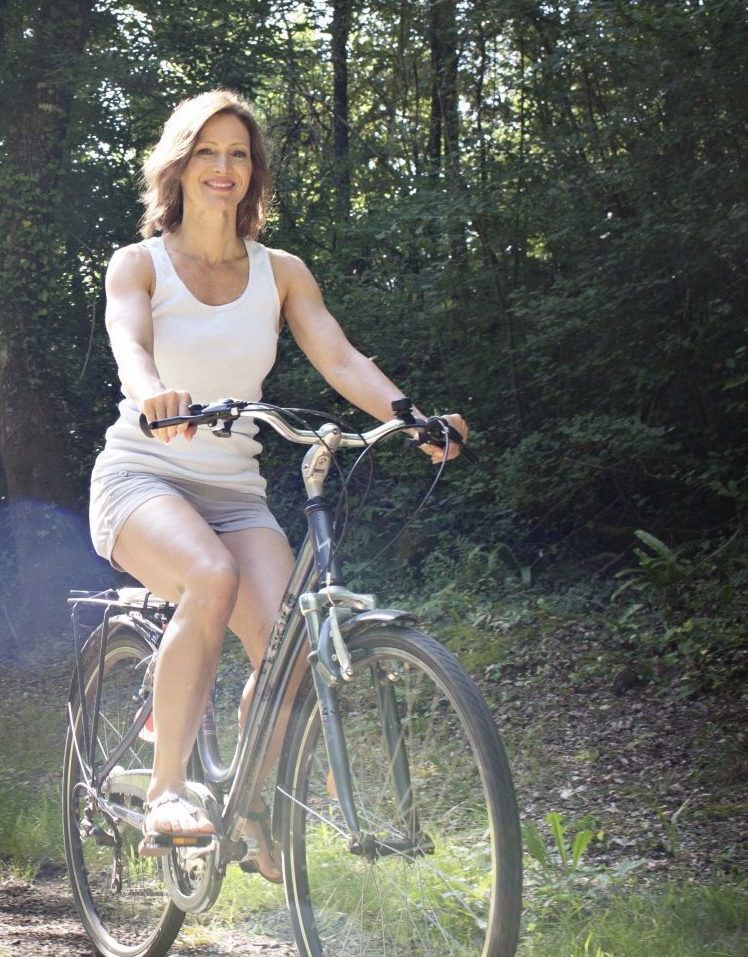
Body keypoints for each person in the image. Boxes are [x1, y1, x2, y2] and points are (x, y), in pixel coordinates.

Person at [87, 91, 465, 874]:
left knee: (286, 647)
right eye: (207, 152)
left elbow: (339, 357)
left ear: (252, 171)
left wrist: (412, 416)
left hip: (234, 491)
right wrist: (150, 388)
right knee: (208, 576)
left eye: (238, 154)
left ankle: (249, 805)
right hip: (141, 476)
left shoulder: (279, 271)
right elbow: (128, 339)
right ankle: (166, 791)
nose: (224, 168)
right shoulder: (140, 263)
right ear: (179, 165)